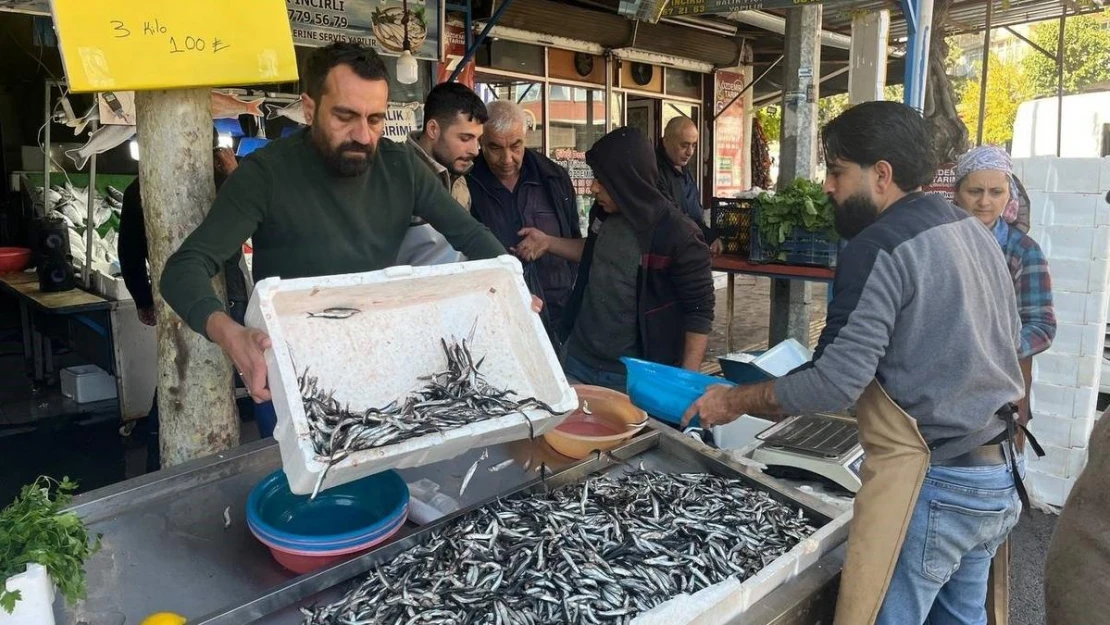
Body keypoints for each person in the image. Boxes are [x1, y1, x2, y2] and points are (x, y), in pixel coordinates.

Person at [682, 101, 1026, 625]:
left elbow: (835, 383)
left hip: (936, 482)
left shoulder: (878, 247)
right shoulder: (971, 231)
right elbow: (1009, 339)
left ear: (881, 174)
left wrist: (732, 400)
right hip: (1000, 471)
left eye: (838, 171)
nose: (828, 186)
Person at [159, 42, 508, 419]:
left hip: (375, 361)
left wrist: (512, 285)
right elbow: (184, 268)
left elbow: (471, 236)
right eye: (345, 116)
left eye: (374, 119)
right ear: (310, 109)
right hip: (291, 370)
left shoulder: (401, 167)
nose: (362, 134)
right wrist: (230, 334)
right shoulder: (265, 174)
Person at [515, 127, 714, 392]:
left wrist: (685, 385)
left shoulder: (679, 235)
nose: (594, 187)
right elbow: (597, 253)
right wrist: (548, 242)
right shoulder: (605, 213)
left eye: (601, 179)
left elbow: (699, 311)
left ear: (626, 182)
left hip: (633, 376)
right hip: (577, 360)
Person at [118, 147, 250, 470]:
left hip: (174, 296)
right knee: (209, 370)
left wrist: (143, 298)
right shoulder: (224, 181)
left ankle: (156, 457)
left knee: (178, 373)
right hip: (224, 294)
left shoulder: (140, 187)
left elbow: (129, 251)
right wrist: (233, 173)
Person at [468, 100, 582, 339]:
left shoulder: (554, 178)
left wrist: (549, 242)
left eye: (515, 146)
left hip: (558, 314)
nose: (507, 159)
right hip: (496, 316)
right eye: (495, 148)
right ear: (481, 142)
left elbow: (579, 245)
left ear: (526, 137)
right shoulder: (466, 183)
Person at [396, 82, 488, 266]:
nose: (475, 150)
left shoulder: (459, 175)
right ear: (433, 129)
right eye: (465, 138)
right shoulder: (396, 173)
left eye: (478, 139)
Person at [656, 116, 719, 253]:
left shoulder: (683, 169)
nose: (690, 152)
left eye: (693, 145)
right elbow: (673, 214)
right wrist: (708, 235)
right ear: (666, 141)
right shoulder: (656, 172)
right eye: (684, 145)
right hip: (669, 252)